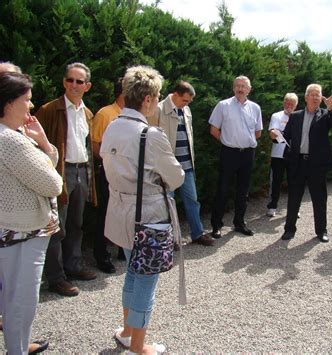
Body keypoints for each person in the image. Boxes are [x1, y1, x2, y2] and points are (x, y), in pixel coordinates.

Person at [101, 65, 184, 354]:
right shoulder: (150, 135)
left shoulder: (112, 125)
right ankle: (138, 345)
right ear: (148, 99)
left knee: (133, 273)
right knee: (146, 281)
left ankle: (126, 331)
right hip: (149, 219)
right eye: (157, 96)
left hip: (120, 215)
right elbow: (176, 178)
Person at [0, 72, 63, 354]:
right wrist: (44, 150)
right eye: (26, 99)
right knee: (21, 302)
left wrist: (43, 143)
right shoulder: (11, 142)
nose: (30, 104)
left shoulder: (16, 136)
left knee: (13, 298)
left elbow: (48, 165)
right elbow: (54, 183)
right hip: (24, 233)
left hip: (18, 231)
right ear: (10, 102)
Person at [36, 62, 97, 297]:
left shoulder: (88, 113)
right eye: (70, 80)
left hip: (81, 172)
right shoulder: (50, 109)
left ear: (87, 86)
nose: (74, 85)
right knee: (56, 227)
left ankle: (74, 266)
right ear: (64, 82)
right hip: (60, 173)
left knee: (75, 223)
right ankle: (56, 277)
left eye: (79, 81)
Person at [149, 80, 214, 246]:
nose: (187, 104)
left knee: (192, 200)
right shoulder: (158, 109)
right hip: (166, 167)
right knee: (167, 204)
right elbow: (151, 139)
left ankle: (197, 233)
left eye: (189, 102)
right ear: (175, 95)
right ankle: (171, 239)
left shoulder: (186, 110)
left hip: (187, 166)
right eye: (185, 100)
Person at [281, 83, 332, 241]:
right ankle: (289, 229)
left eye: (318, 94)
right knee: (294, 197)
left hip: (317, 164)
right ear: (306, 97)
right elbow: (285, 136)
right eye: (312, 94)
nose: (314, 97)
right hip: (298, 162)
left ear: (321, 98)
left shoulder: (325, 114)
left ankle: (321, 231)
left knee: (319, 198)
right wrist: (275, 136)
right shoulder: (295, 116)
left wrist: (331, 108)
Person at [209, 75, 263, 238]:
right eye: (237, 86)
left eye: (243, 86)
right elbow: (214, 130)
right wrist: (227, 141)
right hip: (229, 153)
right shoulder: (223, 105)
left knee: (243, 191)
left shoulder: (255, 108)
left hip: (247, 154)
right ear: (233, 88)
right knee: (223, 189)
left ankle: (239, 223)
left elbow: (258, 133)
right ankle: (216, 225)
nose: (240, 89)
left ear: (249, 89)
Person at [91, 78, 125, 273]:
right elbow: (95, 144)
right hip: (109, 171)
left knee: (124, 211)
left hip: (126, 172)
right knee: (105, 212)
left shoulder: (130, 115)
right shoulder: (106, 114)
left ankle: (122, 249)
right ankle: (101, 255)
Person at [266, 93, 298, 217]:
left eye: (292, 104)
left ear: (296, 105)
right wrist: (273, 133)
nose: (289, 106)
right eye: (287, 103)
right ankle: (272, 206)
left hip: (294, 155)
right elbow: (273, 131)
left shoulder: (299, 117)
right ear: (284, 102)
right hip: (278, 154)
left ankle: (294, 208)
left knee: (294, 182)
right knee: (275, 181)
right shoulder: (277, 116)